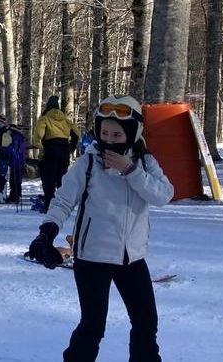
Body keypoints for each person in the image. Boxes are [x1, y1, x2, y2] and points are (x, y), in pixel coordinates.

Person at [27, 95, 173, 361]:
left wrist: (130, 170)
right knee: (92, 327)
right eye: (104, 132)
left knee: (146, 325)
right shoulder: (88, 163)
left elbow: (164, 195)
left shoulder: (144, 163)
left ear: (132, 132)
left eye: (117, 134)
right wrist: (46, 233)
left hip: (132, 258)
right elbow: (63, 200)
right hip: (92, 258)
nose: (109, 139)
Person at [32, 95, 80, 213]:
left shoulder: (45, 119)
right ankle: (62, 205)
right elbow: (77, 134)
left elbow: (38, 133)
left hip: (51, 149)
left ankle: (49, 204)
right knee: (61, 178)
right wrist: (71, 147)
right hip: (64, 149)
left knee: (48, 178)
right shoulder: (66, 121)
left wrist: (39, 144)